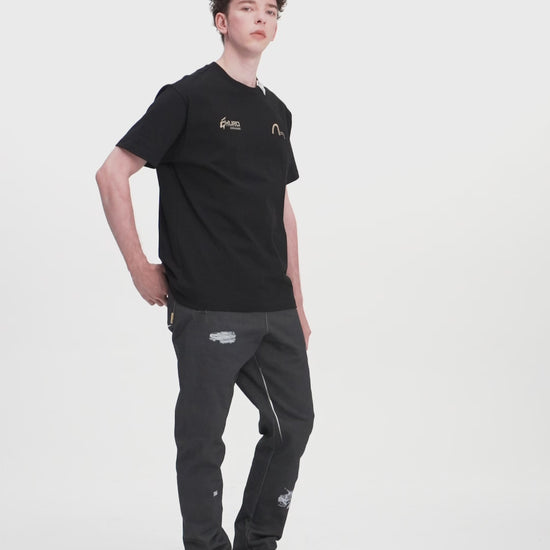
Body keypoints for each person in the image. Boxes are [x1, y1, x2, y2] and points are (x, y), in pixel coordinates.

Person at [95, 1, 314, 549]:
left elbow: (282, 211)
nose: (261, 18)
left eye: (271, 11)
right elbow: (112, 173)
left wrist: (298, 304)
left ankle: (258, 541)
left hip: (274, 306)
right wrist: (139, 269)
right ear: (222, 21)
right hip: (209, 306)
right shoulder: (185, 98)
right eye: (247, 8)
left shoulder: (278, 112)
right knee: (202, 443)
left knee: (293, 426)